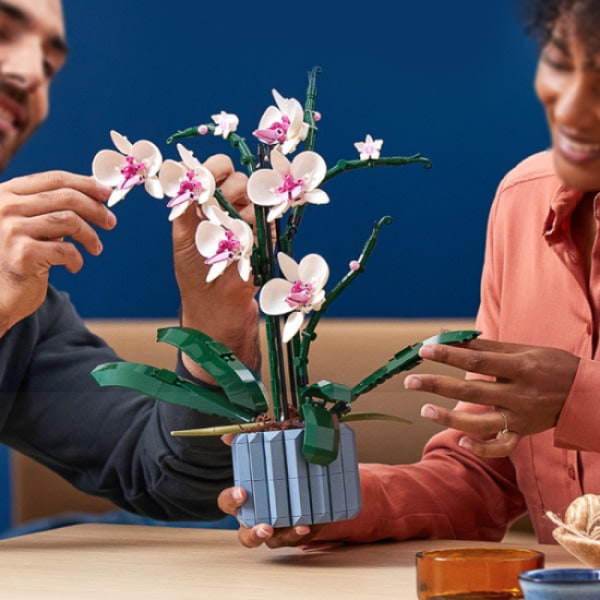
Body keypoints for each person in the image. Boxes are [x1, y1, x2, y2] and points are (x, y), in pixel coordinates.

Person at [217, 0, 600, 548]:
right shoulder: (524, 199)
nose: (573, 106)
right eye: (561, 63)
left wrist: (580, 399)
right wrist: (335, 501)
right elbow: (484, 480)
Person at [0, 0, 258, 523]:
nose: (30, 75)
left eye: (49, 65)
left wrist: (214, 331)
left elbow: (171, 482)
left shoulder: (19, 290)